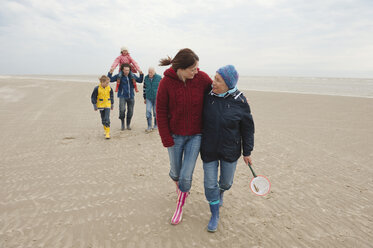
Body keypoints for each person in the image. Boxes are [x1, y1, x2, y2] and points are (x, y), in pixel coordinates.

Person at [156, 48, 212, 225]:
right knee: (176, 172)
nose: (196, 71)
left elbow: (218, 91)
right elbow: (161, 111)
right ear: (181, 68)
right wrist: (166, 138)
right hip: (174, 136)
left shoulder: (202, 79)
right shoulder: (166, 83)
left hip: (196, 135)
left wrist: (237, 97)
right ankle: (179, 186)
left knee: (186, 176)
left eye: (197, 67)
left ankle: (179, 205)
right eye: (193, 68)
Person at [200, 65, 255, 232]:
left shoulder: (241, 101)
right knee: (210, 186)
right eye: (214, 77)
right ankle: (215, 214)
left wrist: (247, 152)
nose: (213, 82)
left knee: (226, 183)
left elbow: (247, 129)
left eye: (218, 80)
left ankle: (221, 192)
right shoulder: (207, 96)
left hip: (230, 150)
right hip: (209, 148)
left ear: (229, 84)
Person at [108, 64, 144, 130]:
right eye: (125, 70)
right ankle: (122, 123)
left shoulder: (132, 76)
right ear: (122, 70)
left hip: (131, 96)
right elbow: (110, 79)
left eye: (128, 70)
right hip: (122, 96)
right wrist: (110, 72)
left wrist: (141, 74)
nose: (127, 71)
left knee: (130, 111)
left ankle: (128, 124)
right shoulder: (119, 76)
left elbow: (140, 80)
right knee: (122, 110)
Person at [143, 67, 162, 133]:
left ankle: (156, 125)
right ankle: (149, 126)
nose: (150, 74)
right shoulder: (146, 78)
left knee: (155, 112)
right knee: (148, 111)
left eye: (151, 72)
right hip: (148, 98)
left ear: (154, 72)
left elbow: (162, 88)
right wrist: (144, 98)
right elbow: (144, 88)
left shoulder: (159, 78)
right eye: (149, 72)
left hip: (157, 98)